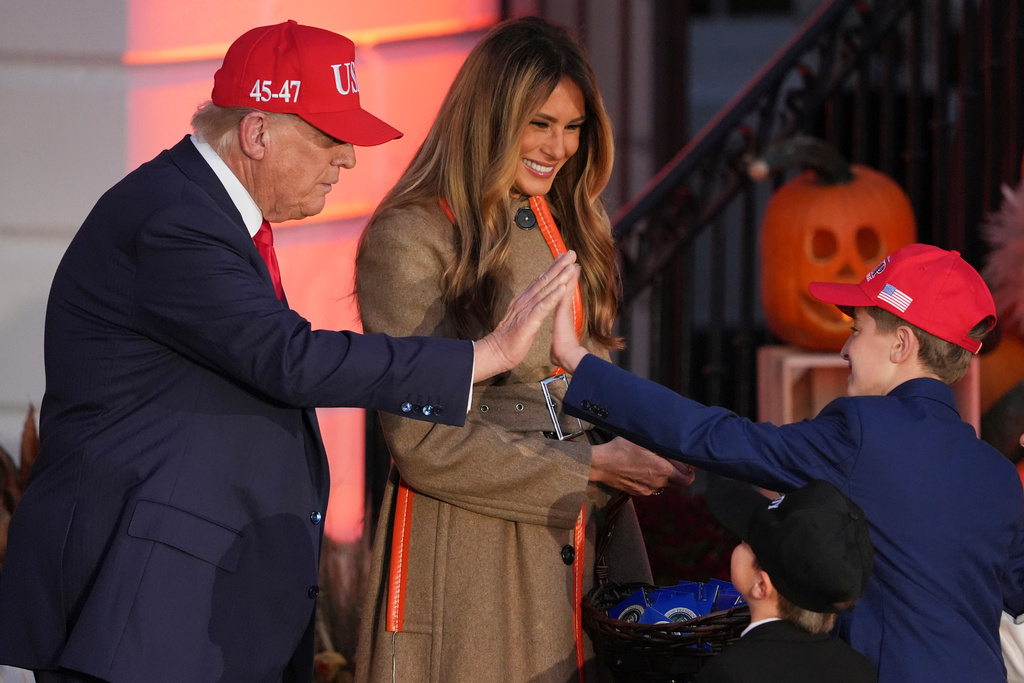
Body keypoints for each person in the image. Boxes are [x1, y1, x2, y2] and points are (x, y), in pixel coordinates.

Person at [0, 20, 580, 683]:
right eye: (330, 138)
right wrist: (481, 355)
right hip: (135, 622)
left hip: (180, 618)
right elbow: (289, 358)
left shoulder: (203, 213)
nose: (348, 160)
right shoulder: (174, 220)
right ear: (256, 132)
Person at [353, 16, 693, 683]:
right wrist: (590, 464)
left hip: (579, 539)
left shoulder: (563, 220)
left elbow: (572, 376)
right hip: (474, 557)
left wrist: (652, 438)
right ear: (490, 116)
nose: (560, 146)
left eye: (573, 127)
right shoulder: (407, 237)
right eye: (541, 123)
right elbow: (424, 444)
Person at [551, 243, 1024, 683]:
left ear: (901, 344)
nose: (844, 349)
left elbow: (715, 437)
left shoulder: (862, 431)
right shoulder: (1000, 475)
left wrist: (580, 363)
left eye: (856, 330)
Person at [694, 476, 877, 683]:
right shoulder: (861, 669)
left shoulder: (728, 673)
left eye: (747, 540)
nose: (739, 540)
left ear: (761, 586)